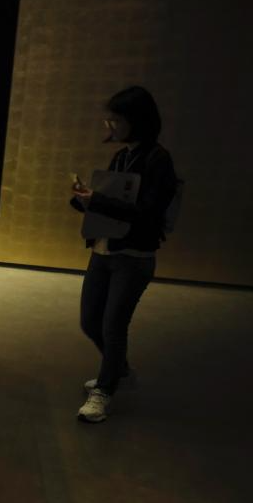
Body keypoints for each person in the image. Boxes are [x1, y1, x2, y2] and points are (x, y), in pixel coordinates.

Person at [69, 86, 178, 423]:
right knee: (90, 320)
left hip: (133, 257)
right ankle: (118, 368)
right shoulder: (121, 156)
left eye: (115, 120)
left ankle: (104, 390)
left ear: (136, 120)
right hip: (103, 250)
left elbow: (148, 213)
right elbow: (112, 202)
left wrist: (97, 201)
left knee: (113, 325)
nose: (110, 126)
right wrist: (85, 200)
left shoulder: (158, 160)